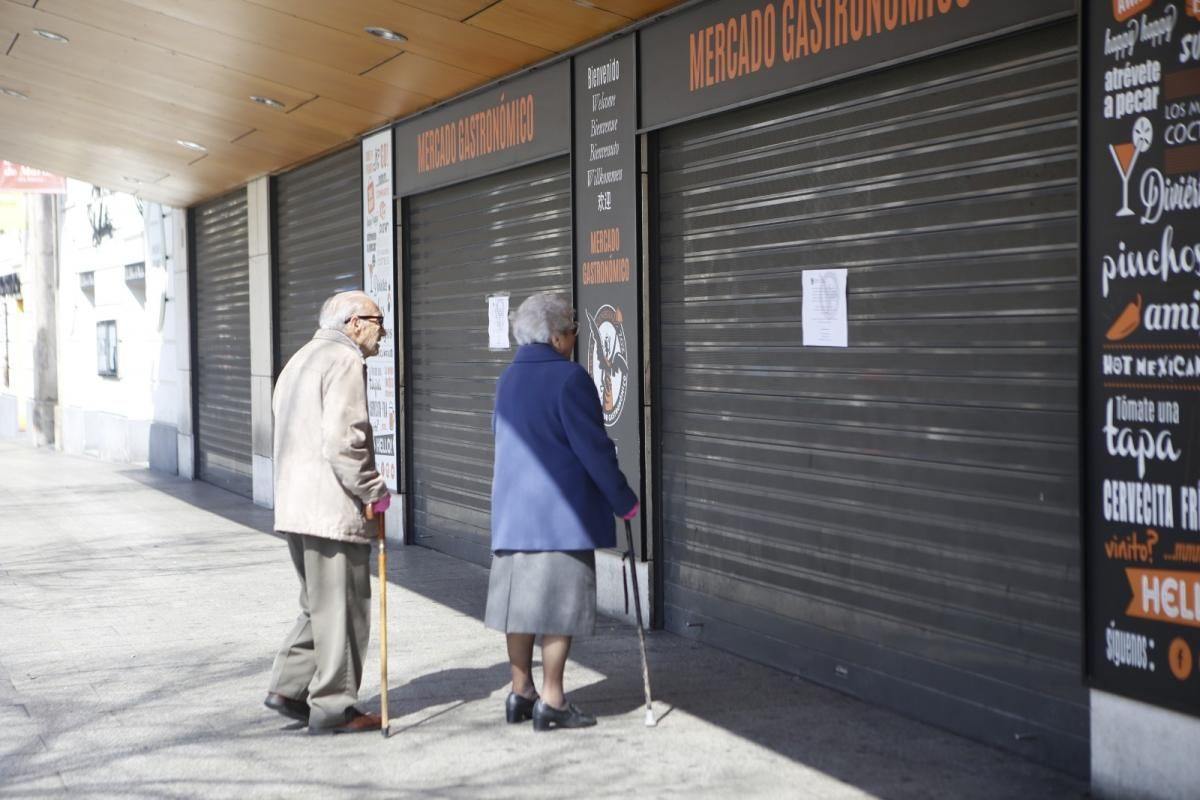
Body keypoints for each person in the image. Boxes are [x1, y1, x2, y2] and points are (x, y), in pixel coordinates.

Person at [486, 292, 639, 731]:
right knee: (557, 610)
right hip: (559, 517)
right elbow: (592, 449)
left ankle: (521, 692)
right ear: (556, 337)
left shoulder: (507, 379)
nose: (574, 340)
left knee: (520, 610)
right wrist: (623, 500)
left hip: (514, 515)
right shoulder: (570, 379)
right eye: (573, 332)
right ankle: (552, 698)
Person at [264, 290, 391, 735]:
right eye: (379, 321)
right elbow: (344, 441)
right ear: (354, 323)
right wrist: (374, 490)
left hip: (296, 506)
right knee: (343, 609)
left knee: (316, 605)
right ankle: (334, 707)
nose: (383, 332)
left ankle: (289, 686)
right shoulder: (344, 361)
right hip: (330, 507)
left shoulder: (299, 360)